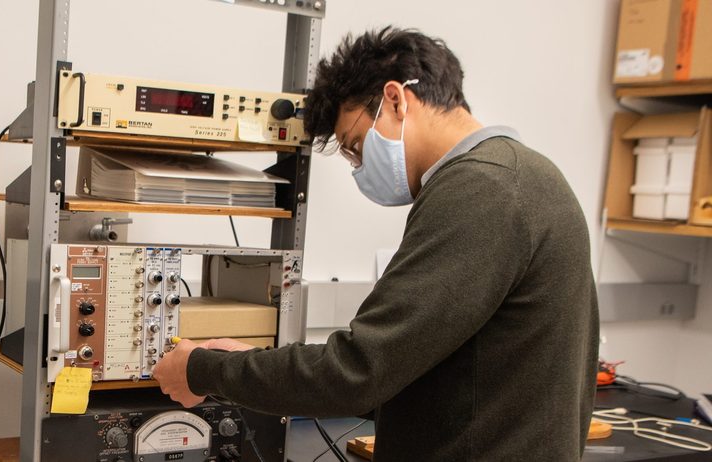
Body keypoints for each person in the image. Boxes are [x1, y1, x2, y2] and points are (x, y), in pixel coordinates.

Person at [154, 27, 599, 461]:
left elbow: (358, 371)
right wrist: (258, 362)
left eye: (355, 145)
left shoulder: (483, 189)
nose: (360, 165)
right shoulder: (524, 175)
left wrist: (202, 370)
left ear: (395, 99)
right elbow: (422, 374)